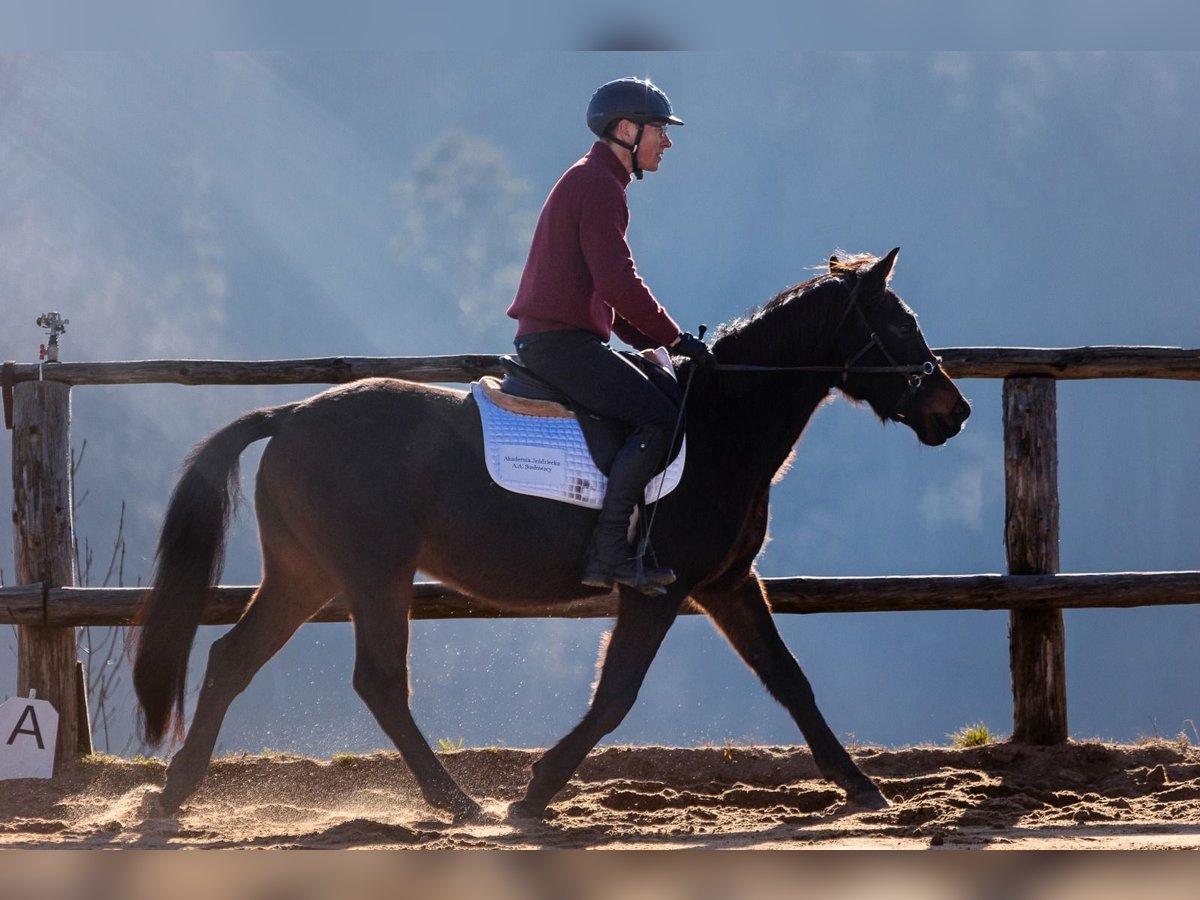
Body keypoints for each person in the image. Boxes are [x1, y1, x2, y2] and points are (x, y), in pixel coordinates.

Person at [506, 76, 716, 596]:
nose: (666, 142)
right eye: (659, 130)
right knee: (660, 417)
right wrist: (676, 338)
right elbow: (618, 282)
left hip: (560, 341)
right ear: (627, 130)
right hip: (562, 346)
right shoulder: (599, 187)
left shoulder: (594, 180)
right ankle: (610, 552)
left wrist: (660, 341)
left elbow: (602, 295)